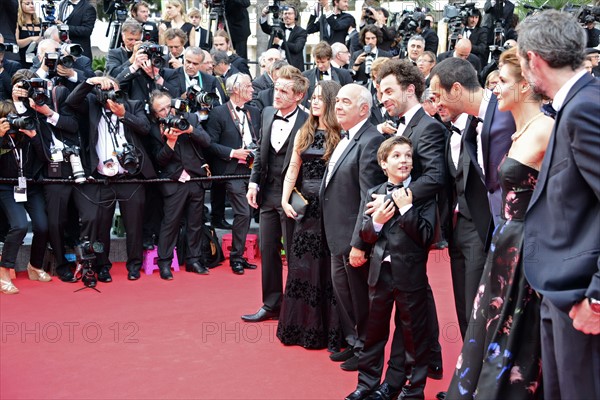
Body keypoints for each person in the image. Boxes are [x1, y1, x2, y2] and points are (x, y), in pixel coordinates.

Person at [446, 46, 553, 399]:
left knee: (515, 336)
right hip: (506, 243)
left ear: (525, 87)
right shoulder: (523, 130)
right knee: (490, 331)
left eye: (502, 81)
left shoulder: (547, 130)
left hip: (527, 249)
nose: (494, 88)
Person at [518, 10, 600, 398]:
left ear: (533, 59)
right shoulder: (578, 103)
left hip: (581, 297)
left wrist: (597, 298)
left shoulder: (587, 106)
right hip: (562, 291)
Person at [429, 57, 515, 337]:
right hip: (458, 228)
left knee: (481, 311)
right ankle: (466, 376)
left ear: (456, 89)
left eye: (438, 95)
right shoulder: (466, 124)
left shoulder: (502, 116)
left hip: (489, 229)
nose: (434, 102)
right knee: (465, 309)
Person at [345, 136, 436, 400]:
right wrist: (376, 222)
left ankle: (411, 389)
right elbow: (366, 235)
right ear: (384, 163)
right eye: (397, 156)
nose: (404, 160)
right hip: (379, 272)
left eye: (408, 155)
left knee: (412, 335)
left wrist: (406, 208)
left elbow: (426, 237)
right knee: (373, 332)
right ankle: (367, 384)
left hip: (410, 273)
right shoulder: (373, 191)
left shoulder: (422, 195)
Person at [377, 59, 448, 382]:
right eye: (380, 93)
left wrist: (396, 199)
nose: (383, 99)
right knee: (418, 298)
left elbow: (435, 177)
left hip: (414, 224)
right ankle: (429, 358)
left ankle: (407, 373)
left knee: (411, 303)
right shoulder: (404, 125)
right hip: (399, 225)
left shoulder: (429, 126)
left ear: (410, 89)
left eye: (388, 91)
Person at [321, 83, 387, 371]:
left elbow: (367, 195)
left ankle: (366, 349)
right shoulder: (346, 137)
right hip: (336, 234)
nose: (338, 106)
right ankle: (355, 341)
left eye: (345, 102)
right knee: (344, 294)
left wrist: (360, 242)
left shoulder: (371, 140)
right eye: (337, 101)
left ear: (363, 109)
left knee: (359, 296)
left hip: (352, 237)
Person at [65, 76, 156, 282]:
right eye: (105, 90)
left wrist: (124, 116)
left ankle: (134, 265)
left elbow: (145, 128)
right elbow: (71, 102)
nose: (110, 95)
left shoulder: (133, 104)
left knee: (134, 225)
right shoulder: (91, 106)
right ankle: (102, 265)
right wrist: (90, 82)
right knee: (101, 228)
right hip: (101, 178)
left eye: (114, 90)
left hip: (130, 177)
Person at [278, 80, 342, 350]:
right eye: (313, 97)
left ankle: (328, 330)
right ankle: (300, 326)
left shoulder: (340, 134)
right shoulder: (305, 130)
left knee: (326, 268)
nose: (314, 102)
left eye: (320, 98)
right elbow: (294, 167)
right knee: (302, 267)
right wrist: (284, 197)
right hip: (305, 208)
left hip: (329, 207)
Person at [242, 65, 309, 322]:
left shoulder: (308, 120)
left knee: (294, 253)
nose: (277, 94)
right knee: (268, 250)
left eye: (284, 91)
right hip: (268, 194)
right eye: (276, 88)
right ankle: (271, 305)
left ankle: (295, 308)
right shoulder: (268, 113)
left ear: (298, 96)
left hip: (293, 198)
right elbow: (260, 152)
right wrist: (253, 183)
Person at [149, 90, 212, 280]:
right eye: (162, 110)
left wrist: (190, 130)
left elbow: (207, 141)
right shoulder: (154, 129)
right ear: (155, 114)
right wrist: (171, 142)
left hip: (195, 178)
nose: (168, 111)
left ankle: (194, 260)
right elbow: (159, 160)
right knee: (170, 223)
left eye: (169, 106)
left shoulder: (190, 117)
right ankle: (165, 262)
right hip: (174, 182)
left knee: (195, 222)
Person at [0, 80, 51, 295]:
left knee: (42, 226)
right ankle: (4, 271)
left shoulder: (26, 134)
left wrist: (34, 137)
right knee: (19, 226)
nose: (15, 122)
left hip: (29, 185)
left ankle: (35, 266)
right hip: (5, 187)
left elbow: (45, 157)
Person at [205, 73, 260, 274]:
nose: (253, 89)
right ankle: (236, 257)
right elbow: (209, 144)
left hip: (253, 168)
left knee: (247, 213)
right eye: (248, 86)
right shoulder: (218, 113)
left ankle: (240, 255)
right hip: (231, 170)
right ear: (235, 89)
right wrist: (232, 153)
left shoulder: (254, 111)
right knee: (244, 212)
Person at [260, 5, 307, 72]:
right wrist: (264, 15)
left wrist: (279, 42)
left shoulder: (301, 32)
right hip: (275, 66)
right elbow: (265, 28)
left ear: (295, 16)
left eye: (290, 13)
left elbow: (297, 48)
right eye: (285, 13)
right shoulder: (277, 27)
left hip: (292, 67)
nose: (287, 15)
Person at [15, 0, 41, 67]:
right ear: (20, 6)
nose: (31, 6)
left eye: (32, 3)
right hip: (22, 58)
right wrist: (31, 39)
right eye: (27, 4)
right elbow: (16, 43)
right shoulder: (18, 23)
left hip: (38, 58)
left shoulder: (39, 22)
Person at [0, 34, 23, 101]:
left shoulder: (14, 66)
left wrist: (1, 70)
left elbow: (16, 92)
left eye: (1, 45)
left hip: (7, 108)